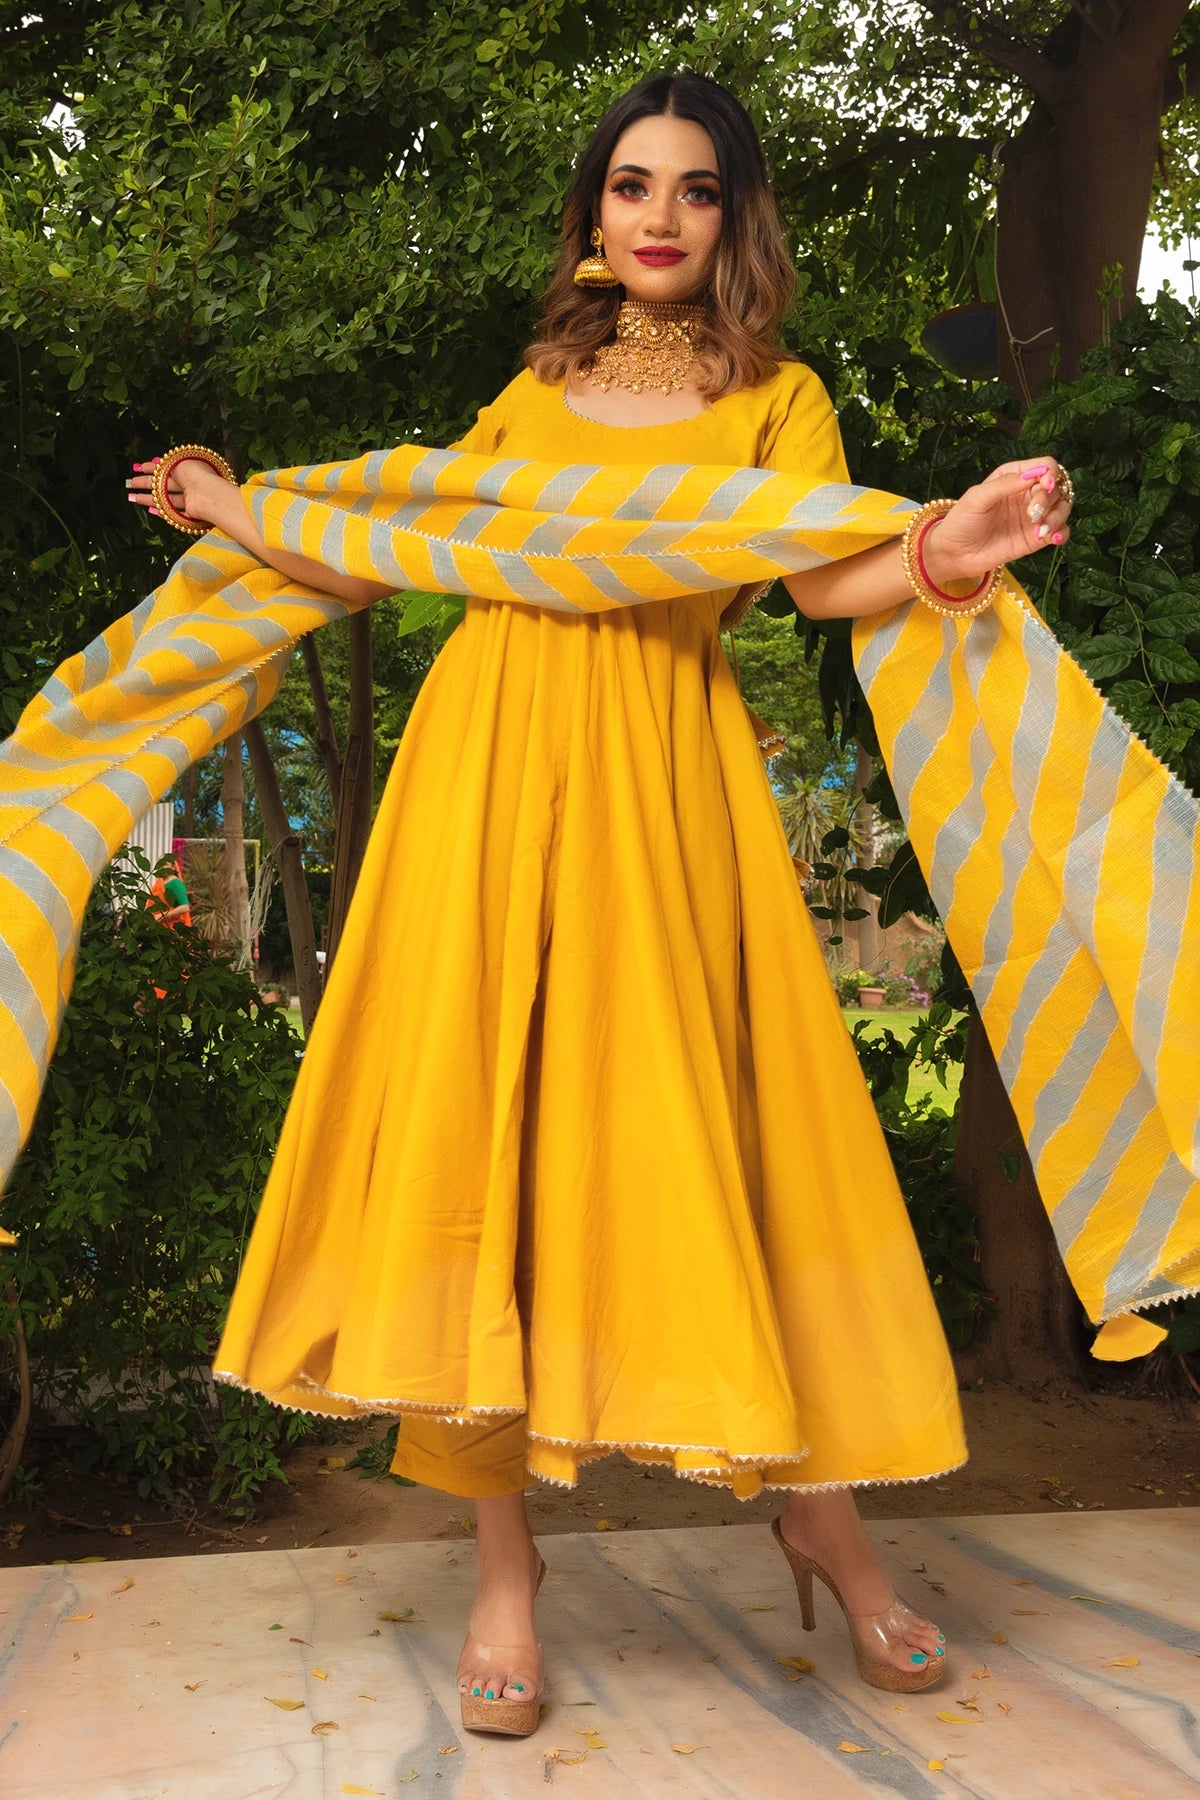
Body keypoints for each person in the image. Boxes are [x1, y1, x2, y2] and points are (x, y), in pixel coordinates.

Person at [124, 72, 1073, 1738]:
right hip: (483, 777)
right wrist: (235, 504)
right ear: (592, 213)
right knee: (481, 1140)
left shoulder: (778, 399)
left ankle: (824, 1519)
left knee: (730, 1131)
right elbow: (394, 550)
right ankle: (507, 1571)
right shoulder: (533, 391)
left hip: (664, 779)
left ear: (734, 218)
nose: (658, 216)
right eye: (632, 185)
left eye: (695, 189)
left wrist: (959, 540)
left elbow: (824, 577)